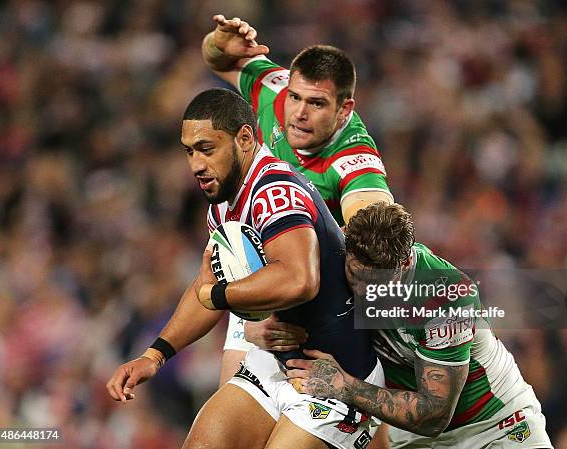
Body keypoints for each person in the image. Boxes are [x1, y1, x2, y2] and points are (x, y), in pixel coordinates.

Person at [106, 88, 384, 449]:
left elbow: (299, 279)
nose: (196, 165)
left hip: (335, 379)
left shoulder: (275, 190)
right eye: (189, 151)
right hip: (275, 366)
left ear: (244, 138)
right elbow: (204, 287)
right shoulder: (223, 202)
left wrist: (218, 295)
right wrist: (154, 355)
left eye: (207, 149)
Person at [201, 14, 394, 387]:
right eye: (296, 98)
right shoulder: (275, 93)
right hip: (256, 275)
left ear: (345, 110)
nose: (300, 114)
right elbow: (217, 59)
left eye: (317, 104)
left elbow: (372, 233)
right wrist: (219, 41)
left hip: (308, 302)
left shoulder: (353, 159)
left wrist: (283, 307)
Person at [282, 202, 554, 449]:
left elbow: (433, 416)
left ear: (405, 263)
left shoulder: (447, 300)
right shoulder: (339, 247)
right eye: (354, 275)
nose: (363, 292)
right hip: (411, 436)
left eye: (376, 283)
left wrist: (346, 387)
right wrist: (261, 321)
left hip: (494, 425)